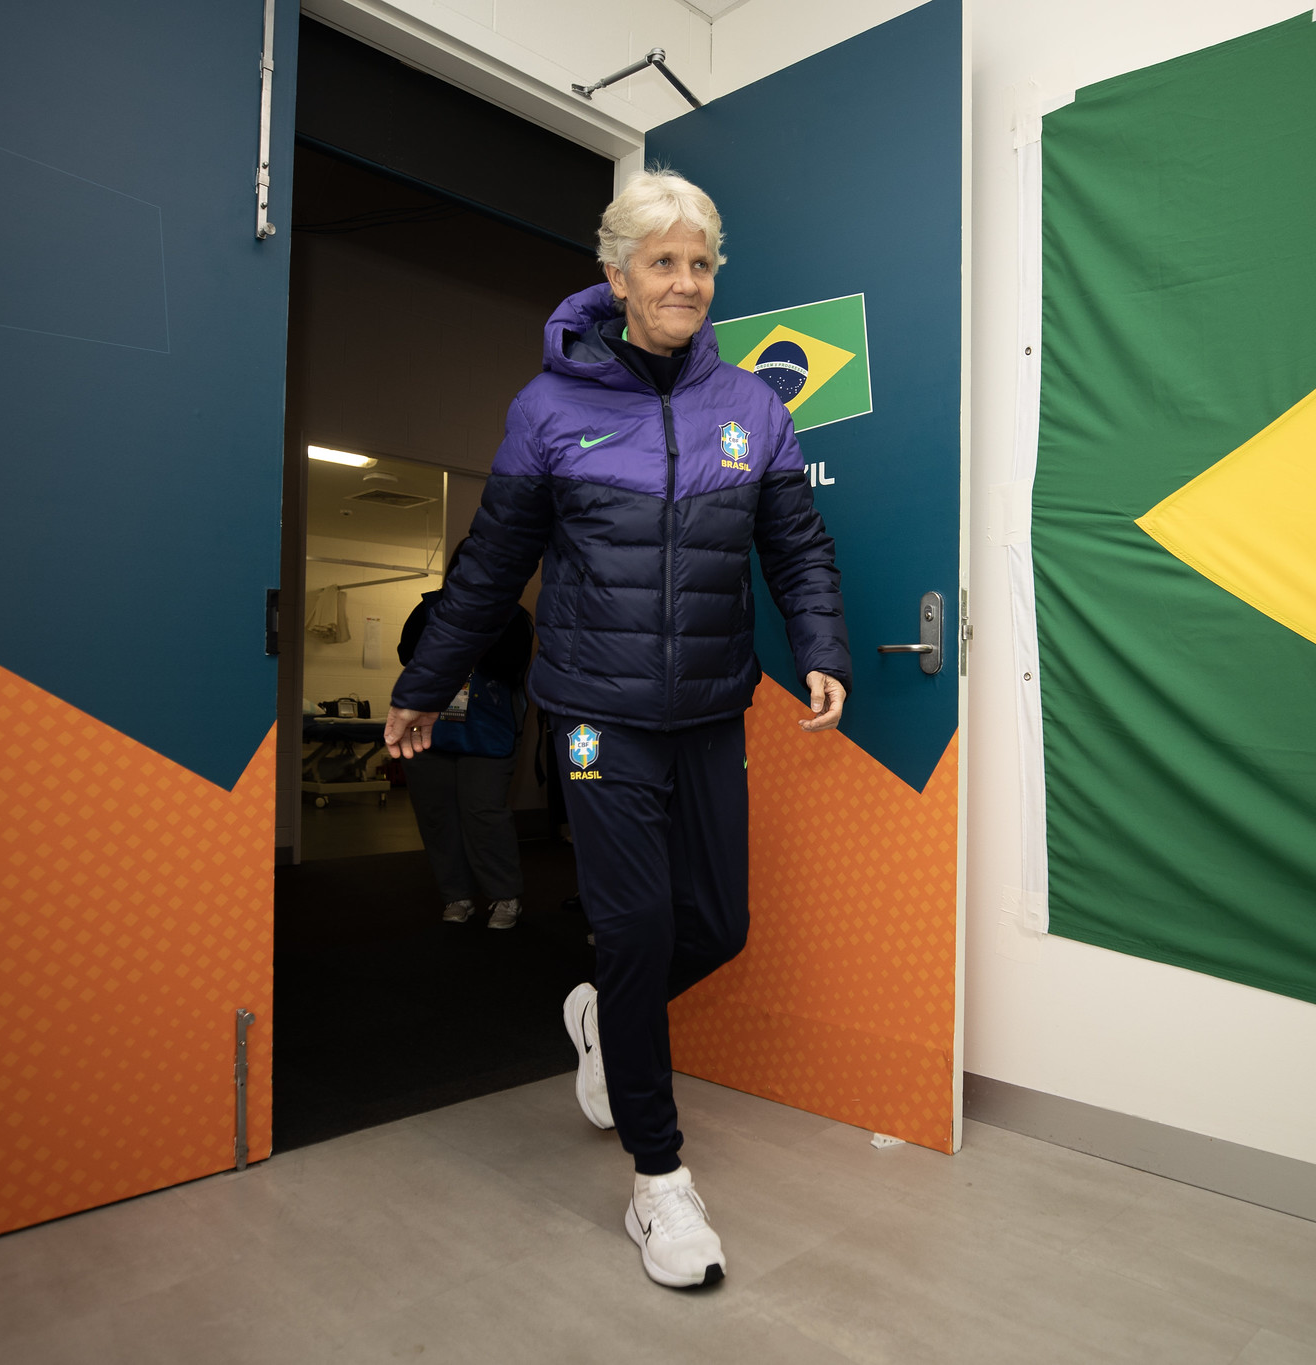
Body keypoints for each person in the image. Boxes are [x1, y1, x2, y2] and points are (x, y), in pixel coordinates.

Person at [383, 169, 849, 1289]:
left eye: (700, 264)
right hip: (595, 719)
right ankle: (659, 1183)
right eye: (663, 263)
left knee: (717, 928)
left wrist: (821, 645)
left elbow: (794, 548)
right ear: (616, 276)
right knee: (636, 927)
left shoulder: (752, 408)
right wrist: (426, 682)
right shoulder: (548, 411)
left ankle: (600, 1014)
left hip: (706, 712)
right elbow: (493, 567)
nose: (684, 281)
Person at [396, 539, 533, 929]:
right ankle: (456, 896)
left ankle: (505, 897)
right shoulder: (429, 607)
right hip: (430, 730)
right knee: (437, 817)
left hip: (488, 734)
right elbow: (408, 652)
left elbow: (511, 666)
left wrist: (466, 634)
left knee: (484, 814)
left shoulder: (512, 616)